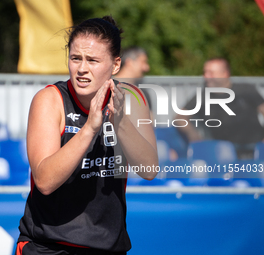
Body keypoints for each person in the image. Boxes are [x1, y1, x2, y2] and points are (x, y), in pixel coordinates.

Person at [16, 16, 158, 255]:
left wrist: (119, 121)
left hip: (107, 245)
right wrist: (90, 127)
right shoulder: (50, 100)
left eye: (92, 60)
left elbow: (149, 169)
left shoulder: (131, 98)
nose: (82, 69)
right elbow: (45, 181)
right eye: (75, 58)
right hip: (48, 245)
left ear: (115, 65)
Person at [176, 57, 264, 158]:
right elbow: (180, 117)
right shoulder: (203, 96)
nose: (206, 76)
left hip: (256, 149)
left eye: (211, 73)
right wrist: (193, 134)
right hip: (221, 153)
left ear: (224, 73)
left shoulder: (246, 90)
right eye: (205, 72)